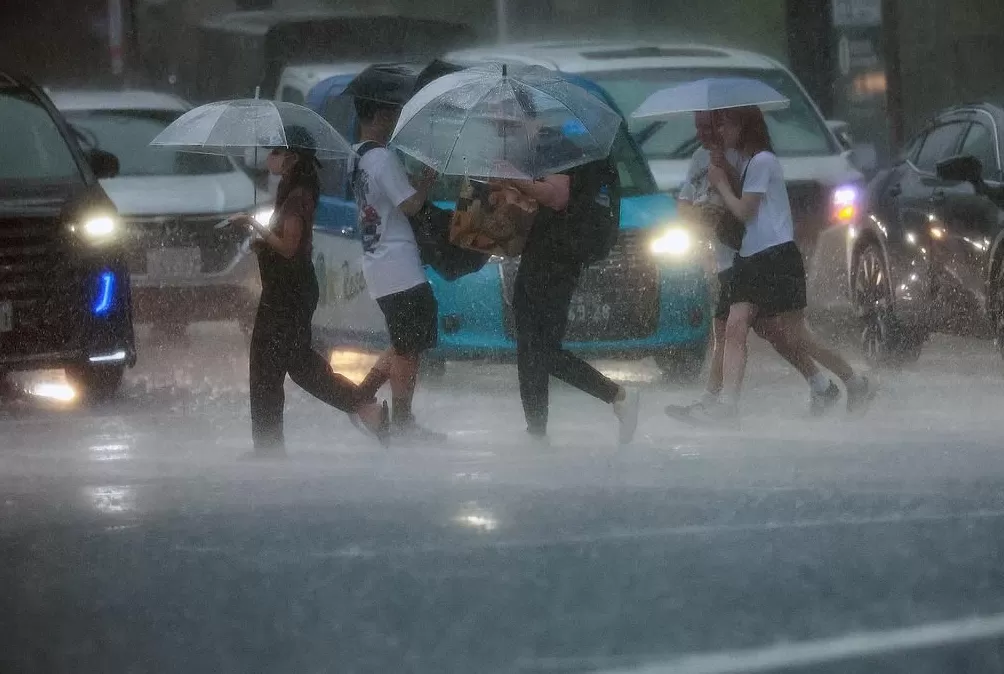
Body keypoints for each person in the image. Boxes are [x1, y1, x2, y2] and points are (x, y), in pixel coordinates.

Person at [684, 106, 873, 426]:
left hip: (777, 256)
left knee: (796, 336)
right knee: (734, 325)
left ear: (744, 127)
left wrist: (721, 183)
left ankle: (853, 380)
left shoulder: (763, 162)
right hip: (748, 257)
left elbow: (745, 211)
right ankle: (728, 405)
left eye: (727, 125)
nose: (722, 132)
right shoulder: (738, 163)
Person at [235, 127, 390, 455]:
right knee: (294, 365)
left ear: (291, 157)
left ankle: (269, 447)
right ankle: (366, 410)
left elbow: (290, 247)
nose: (269, 158)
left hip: (287, 294)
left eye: (275, 151)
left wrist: (253, 224)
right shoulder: (293, 190)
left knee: (270, 367)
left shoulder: (297, 195)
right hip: (287, 291)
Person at [493, 116, 640, 445]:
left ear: (529, 119)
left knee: (541, 349)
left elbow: (557, 196)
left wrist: (514, 177)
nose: (502, 131)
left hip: (558, 257)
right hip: (541, 254)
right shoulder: (534, 150)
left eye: (508, 123)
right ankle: (536, 432)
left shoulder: (555, 145)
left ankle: (618, 397)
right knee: (530, 346)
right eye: (497, 126)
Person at [349, 96, 445, 442]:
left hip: (379, 264)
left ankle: (358, 398)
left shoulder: (356, 157)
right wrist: (426, 182)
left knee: (405, 343)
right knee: (408, 349)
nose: (394, 121)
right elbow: (410, 205)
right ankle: (401, 421)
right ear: (377, 115)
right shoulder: (381, 158)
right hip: (399, 265)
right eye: (391, 114)